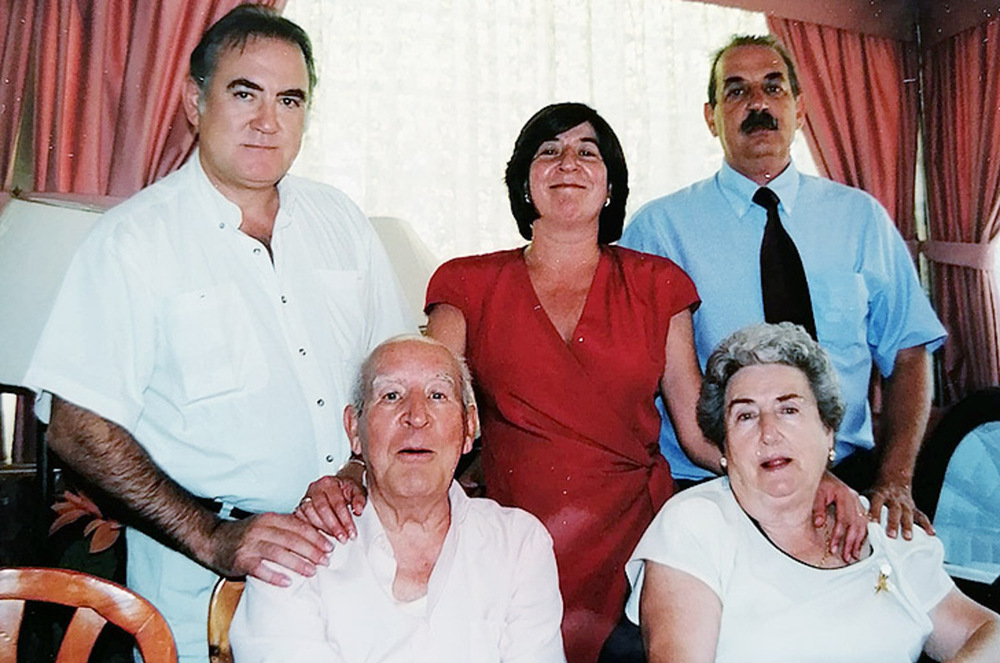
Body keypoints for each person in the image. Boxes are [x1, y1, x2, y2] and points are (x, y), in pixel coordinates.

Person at [24, 5, 411, 660]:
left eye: (290, 99)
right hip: (202, 584)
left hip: (353, 560)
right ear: (192, 101)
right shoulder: (132, 242)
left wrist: (354, 466)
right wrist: (210, 537)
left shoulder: (342, 222)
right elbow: (75, 422)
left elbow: (395, 380)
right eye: (244, 93)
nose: (268, 121)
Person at [619, 35, 947, 540]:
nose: (757, 104)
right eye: (736, 92)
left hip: (847, 480)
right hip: (716, 486)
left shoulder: (860, 219)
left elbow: (908, 353)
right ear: (711, 118)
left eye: (773, 87)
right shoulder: (660, 230)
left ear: (801, 107)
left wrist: (896, 481)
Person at [626, 322, 1000, 663]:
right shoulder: (696, 525)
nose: (768, 432)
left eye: (788, 409)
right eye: (745, 416)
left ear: (828, 433)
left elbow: (987, 631)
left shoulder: (885, 532)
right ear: (724, 448)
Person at [230, 336, 566, 662]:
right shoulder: (295, 553)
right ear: (353, 430)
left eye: (437, 394)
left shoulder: (518, 544)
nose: (416, 416)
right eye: (391, 395)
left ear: (468, 429)